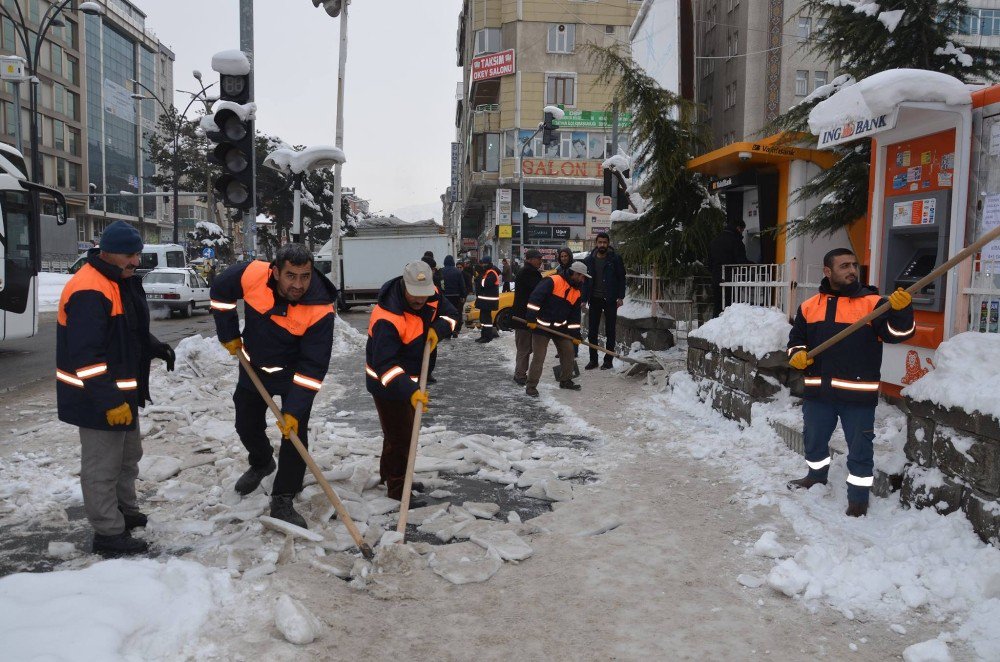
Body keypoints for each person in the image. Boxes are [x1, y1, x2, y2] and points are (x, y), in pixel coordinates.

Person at [56, 220, 175, 557]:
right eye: (129, 255)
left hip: (121, 394)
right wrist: (109, 400)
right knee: (101, 467)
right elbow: (86, 355)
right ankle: (107, 533)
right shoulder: (89, 289)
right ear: (106, 253)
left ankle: (125, 510)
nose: (136, 261)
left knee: (127, 458)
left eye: (137, 254)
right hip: (96, 398)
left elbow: (128, 331)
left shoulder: (117, 280)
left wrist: (154, 346)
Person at [210, 243, 336, 528]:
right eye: (291, 276)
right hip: (255, 366)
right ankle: (262, 461)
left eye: (305, 276)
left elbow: (313, 366)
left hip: (294, 374)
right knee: (245, 421)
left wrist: (294, 408)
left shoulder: (320, 308)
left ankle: (283, 497)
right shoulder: (253, 274)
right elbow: (220, 292)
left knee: (294, 435)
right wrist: (228, 332)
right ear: (276, 271)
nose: (299, 284)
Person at [786, 248, 915, 517]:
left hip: (857, 394)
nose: (852, 271)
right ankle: (815, 476)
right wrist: (797, 354)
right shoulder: (810, 306)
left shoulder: (874, 304)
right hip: (819, 391)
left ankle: (858, 499)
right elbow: (796, 340)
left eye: (854, 265)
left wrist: (902, 312)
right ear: (827, 271)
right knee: (814, 439)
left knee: (860, 448)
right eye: (844, 266)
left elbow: (897, 334)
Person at [366, 261, 458, 503]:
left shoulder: (431, 294)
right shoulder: (387, 316)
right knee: (401, 436)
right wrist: (409, 390)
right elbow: (383, 364)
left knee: (397, 433)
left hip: (413, 379)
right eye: (415, 295)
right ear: (403, 285)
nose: (420, 301)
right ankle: (398, 489)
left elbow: (452, 315)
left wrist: (438, 329)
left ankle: (392, 475)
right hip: (387, 383)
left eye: (424, 295)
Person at [523, 261, 589, 396]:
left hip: (560, 328)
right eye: (582, 277)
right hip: (541, 326)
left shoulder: (576, 291)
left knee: (569, 351)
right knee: (539, 356)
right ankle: (531, 386)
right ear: (575, 274)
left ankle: (565, 380)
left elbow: (574, 317)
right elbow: (535, 299)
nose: (583, 280)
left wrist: (575, 335)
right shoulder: (552, 281)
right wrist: (531, 319)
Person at [583, 232, 626, 370]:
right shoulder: (589, 260)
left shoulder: (615, 259)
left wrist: (621, 296)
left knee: (610, 331)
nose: (602, 245)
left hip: (610, 299)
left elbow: (621, 278)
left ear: (608, 244)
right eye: (600, 242)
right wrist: (584, 298)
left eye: (605, 242)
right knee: (592, 332)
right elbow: (585, 280)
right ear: (596, 243)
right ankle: (593, 360)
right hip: (594, 299)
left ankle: (608, 360)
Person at [510, 249, 545, 385]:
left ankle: (520, 372)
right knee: (524, 348)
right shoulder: (528, 273)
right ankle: (520, 374)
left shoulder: (530, 272)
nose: (540, 261)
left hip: (526, 316)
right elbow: (538, 290)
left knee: (526, 347)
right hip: (523, 317)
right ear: (529, 259)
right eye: (538, 258)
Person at [707, 220, 750, 318]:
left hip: (717, 279)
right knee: (731, 307)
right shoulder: (736, 241)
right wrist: (753, 265)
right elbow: (741, 261)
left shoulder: (715, 241)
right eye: (742, 230)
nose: (742, 232)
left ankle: (714, 329)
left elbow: (709, 263)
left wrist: (715, 273)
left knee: (718, 307)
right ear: (738, 228)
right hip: (732, 280)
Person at [475, 256, 502, 343]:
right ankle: (484, 335)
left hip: (488, 301)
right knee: (483, 319)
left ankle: (487, 337)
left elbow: (485, 283)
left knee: (486, 320)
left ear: (488, 263)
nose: (483, 265)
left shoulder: (492, 273)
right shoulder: (488, 272)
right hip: (485, 301)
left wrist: (480, 278)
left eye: (484, 263)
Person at [441, 255, 466, 338]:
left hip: (445, 296)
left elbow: (440, 285)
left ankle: (447, 332)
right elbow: (462, 285)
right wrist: (463, 296)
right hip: (456, 296)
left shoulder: (441, 271)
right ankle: (455, 330)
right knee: (456, 313)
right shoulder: (458, 272)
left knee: (446, 314)